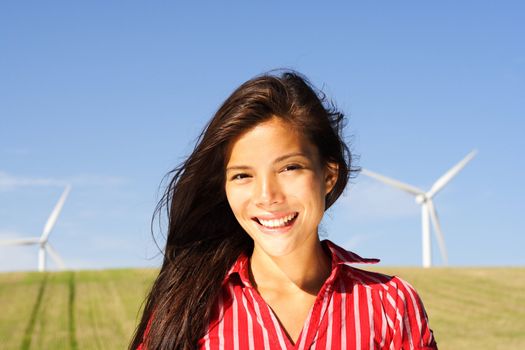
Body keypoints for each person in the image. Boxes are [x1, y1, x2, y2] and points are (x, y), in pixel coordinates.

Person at [130, 71, 438, 350]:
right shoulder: (185, 310)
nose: (267, 196)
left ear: (329, 176)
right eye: (242, 175)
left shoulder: (392, 305)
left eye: (290, 167)